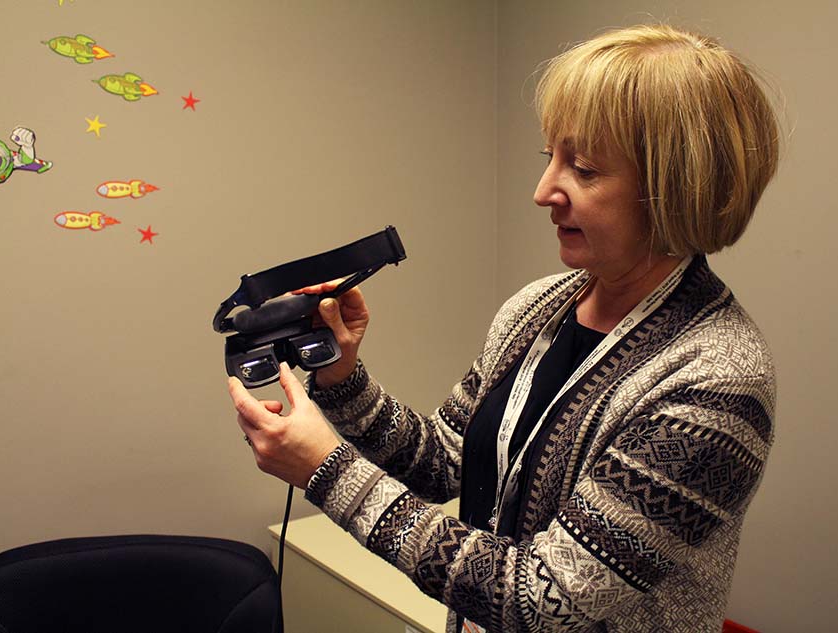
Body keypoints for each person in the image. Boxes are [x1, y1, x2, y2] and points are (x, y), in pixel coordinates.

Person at [229, 23, 781, 632]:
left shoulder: (717, 383)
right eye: (551, 159)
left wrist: (325, 469)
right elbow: (445, 463)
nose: (544, 191)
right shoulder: (535, 308)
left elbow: (543, 602)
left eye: (586, 168)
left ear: (673, 188)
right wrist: (342, 376)